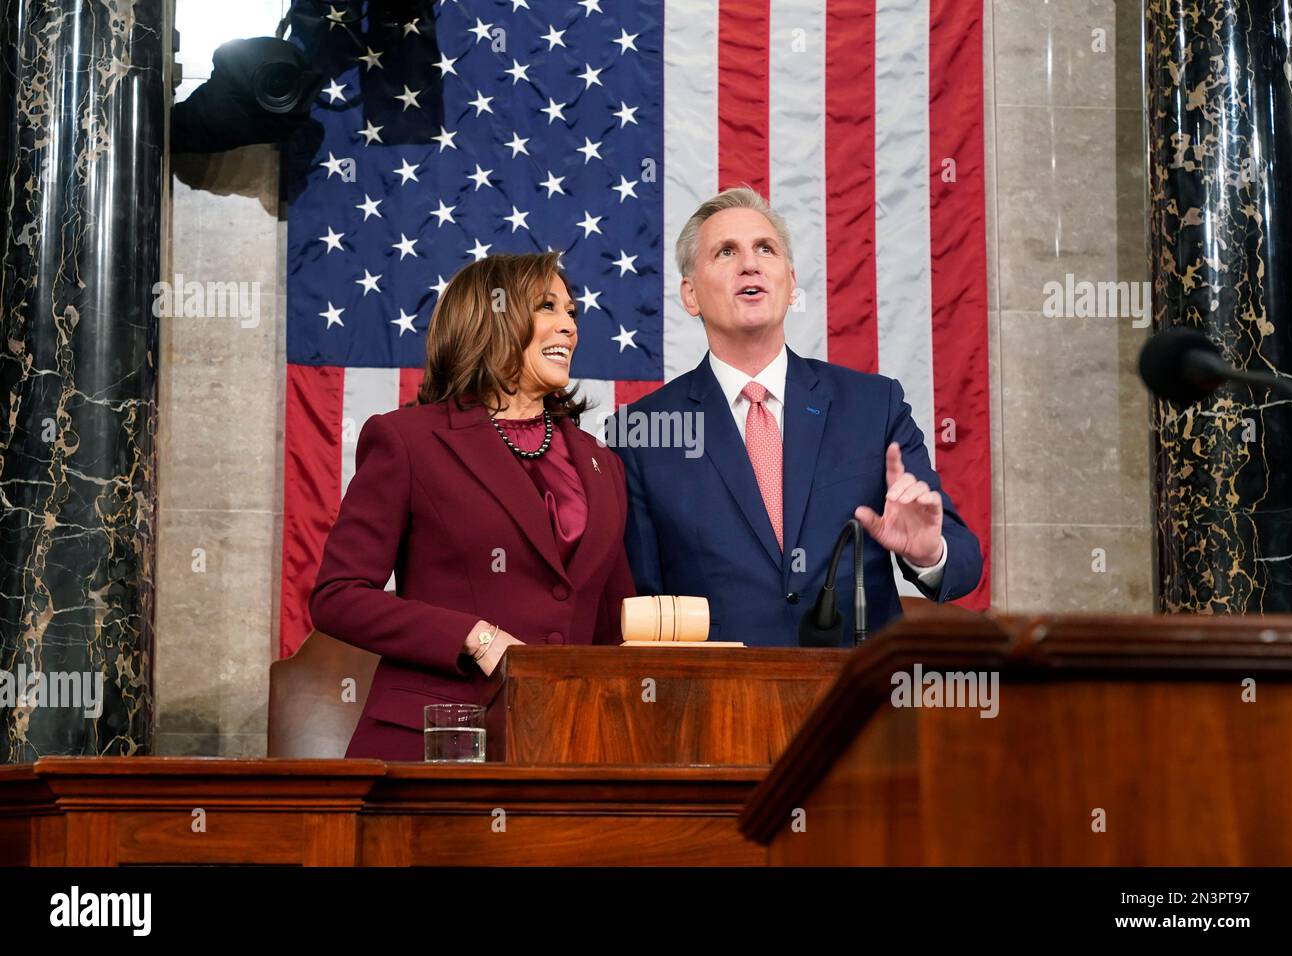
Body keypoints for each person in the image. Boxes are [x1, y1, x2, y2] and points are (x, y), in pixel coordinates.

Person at [610, 187, 982, 646]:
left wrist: (929, 552)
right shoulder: (641, 433)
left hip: (857, 702)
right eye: (726, 252)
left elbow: (964, 561)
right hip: (716, 707)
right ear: (690, 295)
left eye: (765, 249)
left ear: (789, 281)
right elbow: (641, 609)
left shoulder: (873, 405)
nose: (750, 264)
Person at [309, 251, 635, 759]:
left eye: (572, 313)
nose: (568, 326)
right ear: (491, 317)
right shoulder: (407, 441)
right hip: (438, 744)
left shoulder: (602, 463)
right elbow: (338, 596)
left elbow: (615, 628)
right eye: (548, 307)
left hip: (568, 746)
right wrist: (473, 636)